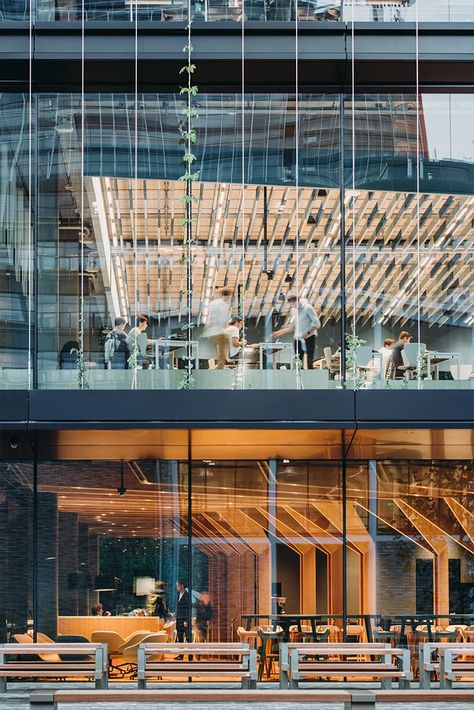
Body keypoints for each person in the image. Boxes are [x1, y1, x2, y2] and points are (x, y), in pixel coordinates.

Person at [272, 292, 321, 370]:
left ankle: (310, 379)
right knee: (298, 361)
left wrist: (307, 333)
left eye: (293, 303)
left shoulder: (308, 308)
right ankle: (299, 379)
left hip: (309, 336)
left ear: (298, 300)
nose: (292, 306)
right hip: (298, 338)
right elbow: (293, 327)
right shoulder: (293, 311)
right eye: (291, 304)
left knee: (309, 361)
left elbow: (317, 324)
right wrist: (278, 333)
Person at [202, 287, 233, 369]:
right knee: (224, 347)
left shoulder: (214, 303)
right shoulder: (224, 305)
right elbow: (223, 319)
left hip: (212, 331)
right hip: (218, 330)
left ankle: (222, 364)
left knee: (221, 349)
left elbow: (210, 317)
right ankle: (221, 367)